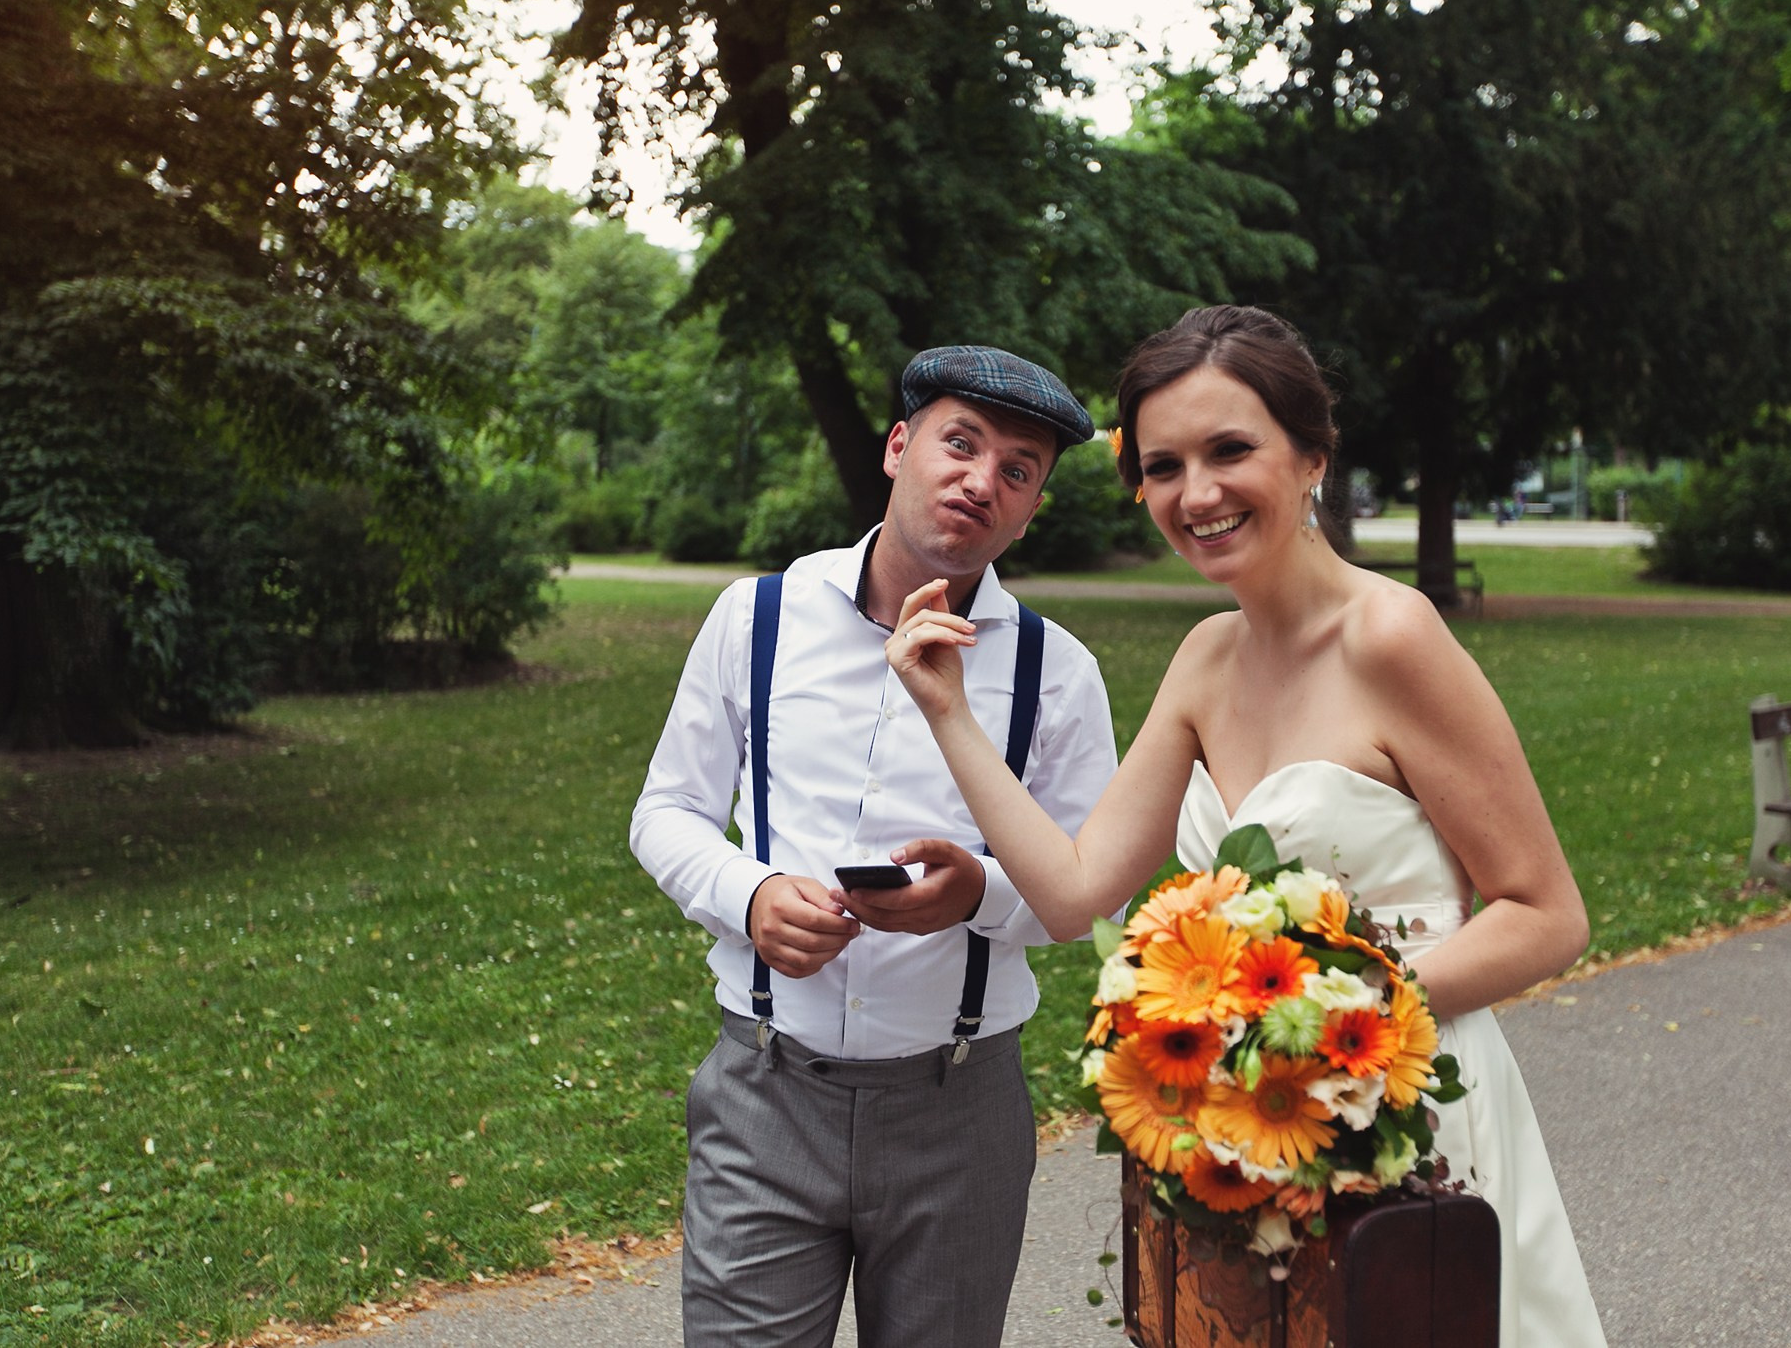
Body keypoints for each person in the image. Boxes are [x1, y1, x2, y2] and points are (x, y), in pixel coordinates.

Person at [886, 305, 1607, 1347]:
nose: (1196, 494)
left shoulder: (1391, 637)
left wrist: (1316, 1030)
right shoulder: (1205, 658)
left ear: (1313, 457)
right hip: (1250, 1130)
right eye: (1163, 467)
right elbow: (1076, 889)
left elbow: (1545, 914)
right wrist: (947, 712)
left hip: (1409, 1116)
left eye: (1230, 451)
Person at [630, 345, 1120, 1347]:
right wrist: (750, 894)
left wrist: (977, 894)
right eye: (959, 443)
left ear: (1030, 511)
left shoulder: (1057, 674)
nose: (980, 480)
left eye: (1017, 469)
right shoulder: (759, 617)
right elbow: (667, 809)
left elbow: (1090, 898)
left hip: (959, 1110)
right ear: (898, 447)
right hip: (766, 1093)